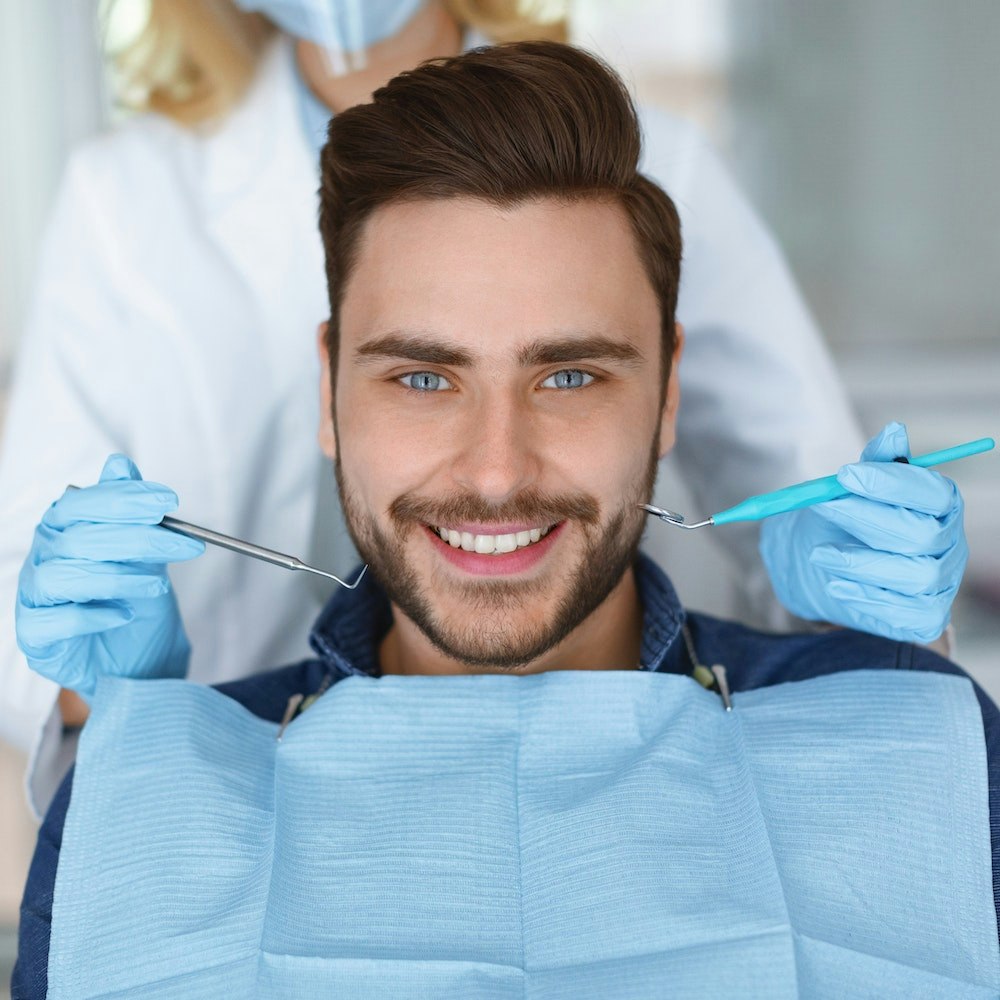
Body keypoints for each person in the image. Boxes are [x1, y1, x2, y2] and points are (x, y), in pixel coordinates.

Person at [14, 42, 997, 999]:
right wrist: (119, 731)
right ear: (328, 390)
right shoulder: (149, 803)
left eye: (568, 375)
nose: (495, 473)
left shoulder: (910, 753)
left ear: (666, 393)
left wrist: (886, 671)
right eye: (422, 376)